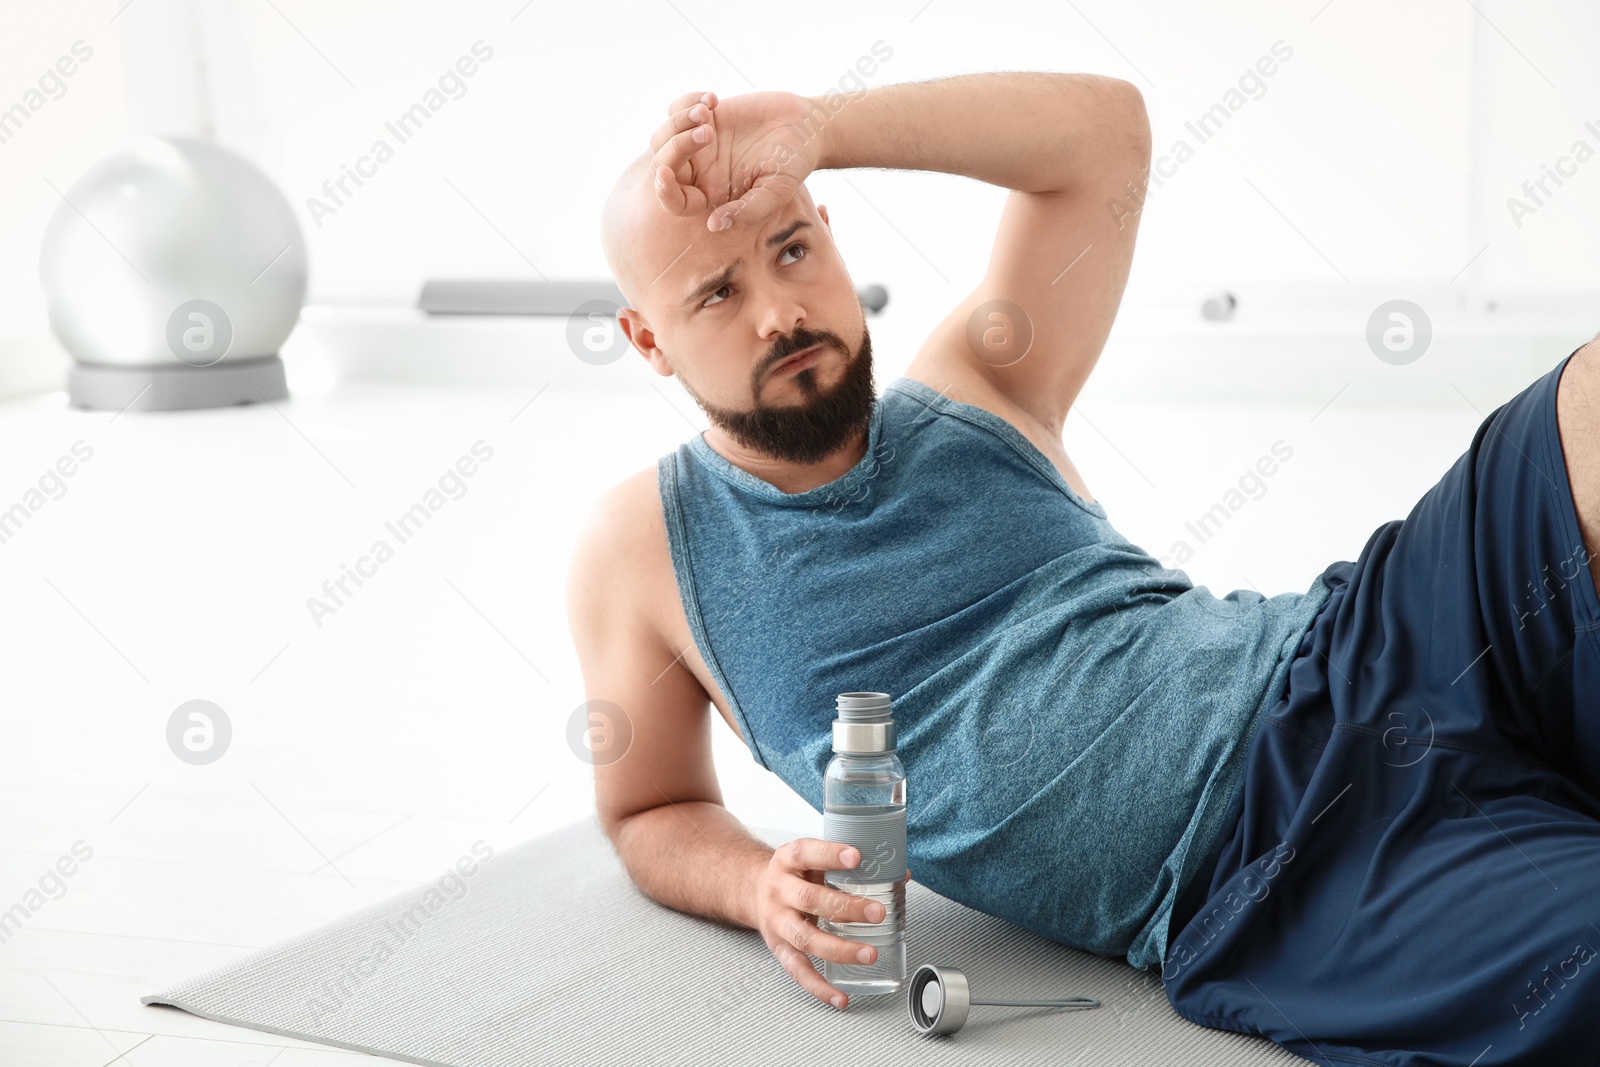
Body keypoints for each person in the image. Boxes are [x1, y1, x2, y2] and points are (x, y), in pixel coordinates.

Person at [568, 72, 1600, 1065]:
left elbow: (1104, 138)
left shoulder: (978, 378)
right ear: (647, 339)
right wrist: (754, 886)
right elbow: (648, 808)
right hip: (1269, 871)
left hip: (1361, 643)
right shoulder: (641, 551)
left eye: (791, 250)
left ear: (832, 238)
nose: (777, 312)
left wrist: (821, 127)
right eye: (716, 292)